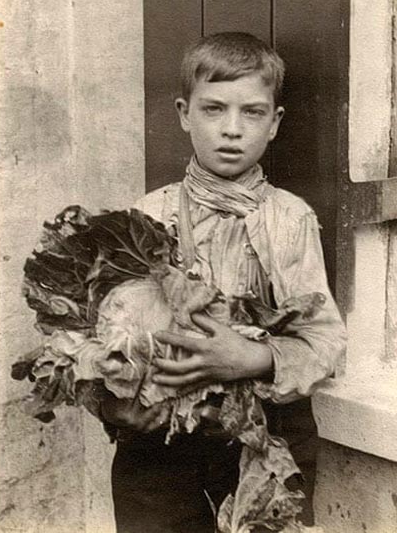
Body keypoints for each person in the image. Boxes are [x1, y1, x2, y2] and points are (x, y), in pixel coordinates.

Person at [101, 32, 346, 532]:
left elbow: (326, 343)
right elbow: (102, 336)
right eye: (213, 109)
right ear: (184, 113)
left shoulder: (290, 218)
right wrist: (115, 406)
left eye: (252, 112)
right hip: (159, 446)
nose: (231, 130)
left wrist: (250, 357)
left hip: (267, 441)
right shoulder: (145, 218)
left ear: (274, 124)